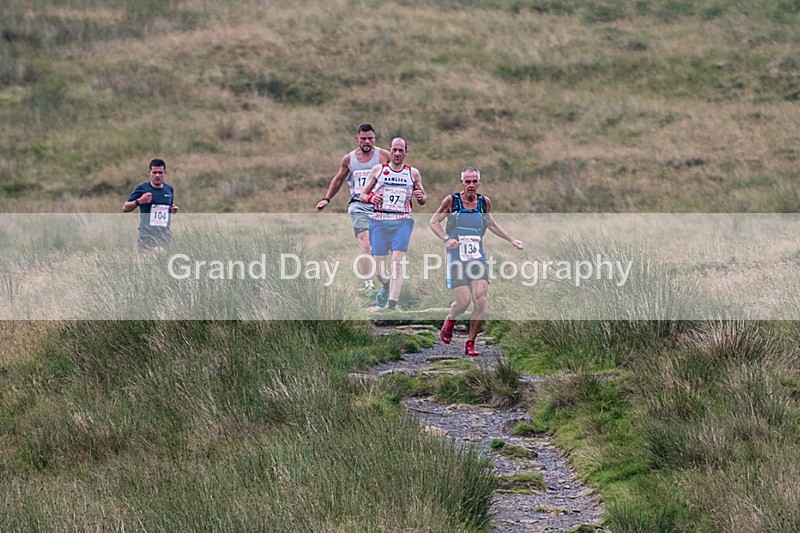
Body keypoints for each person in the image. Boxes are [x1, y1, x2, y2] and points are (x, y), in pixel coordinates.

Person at [429, 167, 523, 356]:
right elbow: (433, 222)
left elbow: (492, 224)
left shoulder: (483, 203)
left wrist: (511, 239)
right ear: (462, 183)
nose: (471, 185)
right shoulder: (451, 201)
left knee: (480, 301)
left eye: (474, 182)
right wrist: (446, 238)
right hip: (456, 257)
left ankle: (470, 343)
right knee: (463, 302)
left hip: (477, 258)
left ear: (479, 182)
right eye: (467, 182)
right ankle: (451, 318)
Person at [316, 123, 390, 292]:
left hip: (381, 207)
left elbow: (398, 175)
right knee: (366, 244)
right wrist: (326, 199)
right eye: (363, 139)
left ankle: (385, 281)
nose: (367, 142)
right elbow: (338, 179)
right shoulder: (349, 160)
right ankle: (368, 285)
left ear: (374, 139)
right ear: (357, 139)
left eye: (370, 138)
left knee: (382, 247)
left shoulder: (383, 156)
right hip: (359, 206)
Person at [359, 137, 427, 311]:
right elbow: (363, 195)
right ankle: (387, 286)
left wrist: (421, 197)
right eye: (394, 150)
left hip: (402, 221)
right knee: (379, 272)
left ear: (406, 152)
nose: (397, 153)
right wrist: (372, 198)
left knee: (397, 261)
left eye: (401, 150)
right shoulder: (378, 170)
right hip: (379, 221)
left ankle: (392, 305)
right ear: (389, 151)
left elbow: (423, 197)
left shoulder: (413, 173)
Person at [122, 158, 179, 250]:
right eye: (154, 172)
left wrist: (172, 209)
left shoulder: (169, 189)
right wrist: (139, 201)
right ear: (149, 172)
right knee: (150, 260)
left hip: (164, 236)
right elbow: (125, 207)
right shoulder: (142, 188)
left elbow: (167, 207)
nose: (157, 175)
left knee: (160, 260)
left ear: (165, 173)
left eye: (160, 173)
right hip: (146, 235)